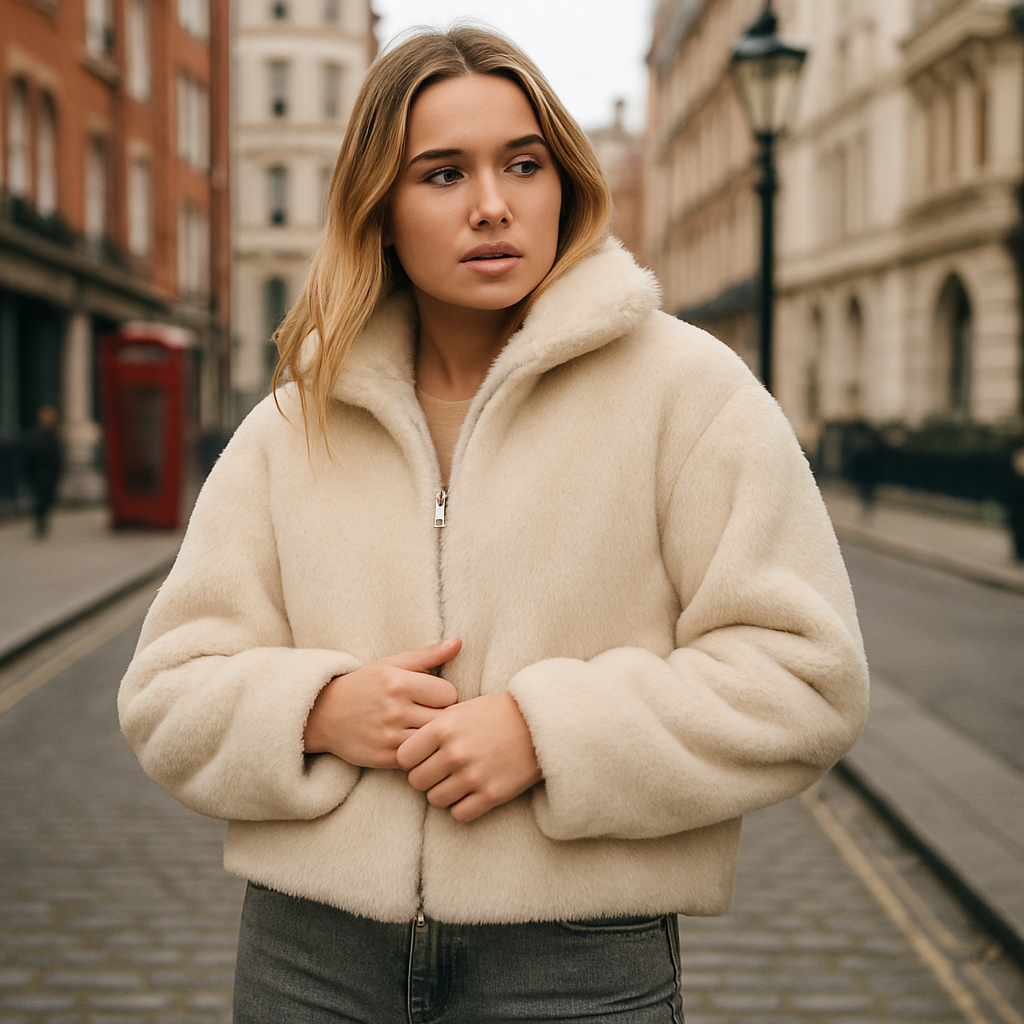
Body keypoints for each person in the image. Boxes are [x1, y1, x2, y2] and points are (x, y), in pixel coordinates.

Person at [118, 26, 869, 1023]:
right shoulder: (291, 426)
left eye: (524, 163)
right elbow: (165, 691)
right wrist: (315, 708)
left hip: (576, 965)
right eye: (441, 173)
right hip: (310, 957)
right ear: (379, 209)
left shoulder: (688, 392)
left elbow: (805, 675)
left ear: (564, 182)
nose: (492, 204)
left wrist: (550, 733)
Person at [23, 405, 62, 537]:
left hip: (38, 474)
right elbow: (57, 458)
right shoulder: (51, 437)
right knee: (45, 499)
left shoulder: (34, 436)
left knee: (40, 499)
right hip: (46, 474)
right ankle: (41, 522)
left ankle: (40, 522)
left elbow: (28, 458)